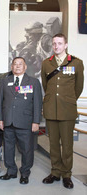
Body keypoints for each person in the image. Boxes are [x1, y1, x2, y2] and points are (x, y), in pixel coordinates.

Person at [41, 33, 84, 189]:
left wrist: (67, 99)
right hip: (51, 109)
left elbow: (78, 87)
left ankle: (67, 174)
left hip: (67, 109)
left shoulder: (76, 63)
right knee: (53, 143)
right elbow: (46, 86)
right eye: (54, 43)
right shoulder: (46, 63)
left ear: (65, 45)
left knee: (67, 144)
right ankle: (55, 172)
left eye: (59, 43)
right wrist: (54, 100)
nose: (56, 46)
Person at [0, 57, 42, 185]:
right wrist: (0, 119)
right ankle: (11, 171)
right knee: (8, 148)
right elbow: (0, 101)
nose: (17, 66)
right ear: (11, 67)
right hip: (8, 121)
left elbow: (37, 103)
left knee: (27, 149)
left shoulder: (33, 82)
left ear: (25, 67)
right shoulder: (5, 81)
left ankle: (25, 173)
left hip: (26, 122)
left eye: (20, 64)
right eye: (15, 64)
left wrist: (36, 121)